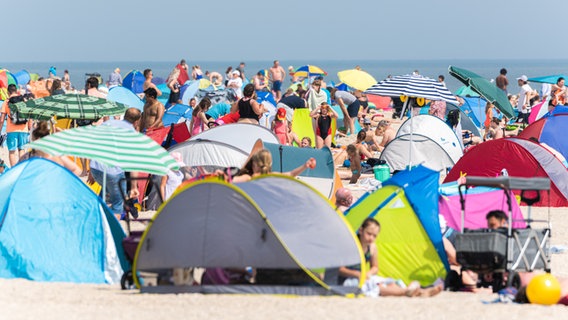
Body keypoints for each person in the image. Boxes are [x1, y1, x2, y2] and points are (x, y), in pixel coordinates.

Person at [339, 218, 443, 298]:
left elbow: (375, 267)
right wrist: (357, 274)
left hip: (362, 277)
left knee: (390, 283)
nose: (371, 238)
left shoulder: (372, 247)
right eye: (369, 234)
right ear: (361, 230)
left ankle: (419, 292)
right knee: (377, 287)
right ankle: (408, 292)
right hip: (347, 280)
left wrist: (368, 274)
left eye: (374, 236)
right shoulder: (351, 246)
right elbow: (339, 269)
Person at [87, 108, 141, 220]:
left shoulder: (107, 124)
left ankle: (96, 220)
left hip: (96, 168)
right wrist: (134, 187)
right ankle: (112, 233)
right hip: (113, 172)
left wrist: (91, 172)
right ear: (137, 122)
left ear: (125, 116)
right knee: (117, 206)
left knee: (105, 195)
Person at [231, 148, 315, 183]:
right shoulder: (271, 176)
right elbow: (291, 174)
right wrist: (305, 165)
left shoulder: (249, 177)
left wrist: (220, 176)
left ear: (254, 164)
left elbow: (231, 180)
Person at [0, 84, 32, 167]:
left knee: (12, 152)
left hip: (11, 131)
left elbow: (1, 120)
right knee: (21, 150)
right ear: (17, 91)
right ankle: (20, 169)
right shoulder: (24, 100)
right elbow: (29, 115)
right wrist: (29, 126)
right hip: (24, 130)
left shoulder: (6, 102)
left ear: (8, 92)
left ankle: (13, 170)